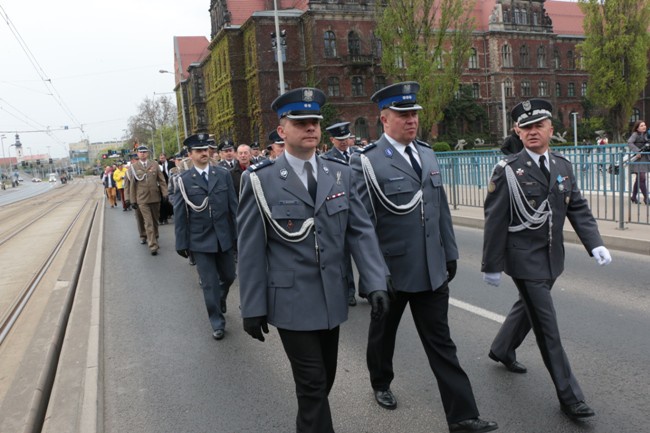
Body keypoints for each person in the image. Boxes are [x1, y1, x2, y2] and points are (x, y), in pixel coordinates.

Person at [237, 87, 390, 433]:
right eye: (301, 122)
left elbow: (361, 231)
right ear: (282, 130)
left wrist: (375, 281)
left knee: (323, 383)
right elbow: (250, 249)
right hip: (291, 302)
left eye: (315, 122)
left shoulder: (340, 173)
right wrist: (252, 306)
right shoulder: (261, 181)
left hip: (331, 298)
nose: (310, 128)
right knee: (312, 386)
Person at [350, 81, 497, 433]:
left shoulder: (427, 154)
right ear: (384, 119)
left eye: (414, 114)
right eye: (402, 115)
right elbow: (362, 225)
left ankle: (462, 416)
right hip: (392, 271)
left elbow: (439, 208)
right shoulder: (367, 164)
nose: (411, 120)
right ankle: (380, 382)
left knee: (442, 344)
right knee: (383, 335)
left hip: (431, 270)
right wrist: (373, 277)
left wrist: (449, 252)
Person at [482, 98, 612, 421]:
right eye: (525, 127)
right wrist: (492, 264)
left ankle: (501, 348)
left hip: (552, 257)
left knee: (527, 309)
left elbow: (577, 207)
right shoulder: (508, 171)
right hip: (524, 261)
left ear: (551, 129)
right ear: (517, 131)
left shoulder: (562, 166)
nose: (532, 132)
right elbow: (494, 219)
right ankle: (570, 397)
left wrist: (594, 243)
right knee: (547, 326)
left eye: (539, 125)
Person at [174, 133, 238, 340]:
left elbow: (233, 207)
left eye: (206, 150)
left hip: (224, 237)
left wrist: (239, 235)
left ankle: (220, 298)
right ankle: (217, 322)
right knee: (209, 282)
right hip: (200, 240)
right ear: (190, 155)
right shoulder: (183, 181)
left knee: (229, 276)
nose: (204, 153)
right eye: (199, 151)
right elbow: (181, 214)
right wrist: (182, 244)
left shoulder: (222, 174)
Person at [325, 121, 357, 306]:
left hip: (359, 210)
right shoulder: (327, 160)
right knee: (344, 257)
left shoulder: (358, 156)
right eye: (340, 139)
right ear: (332, 140)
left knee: (365, 250)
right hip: (341, 211)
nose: (344, 142)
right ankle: (349, 290)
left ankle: (369, 287)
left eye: (346, 138)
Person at [126, 145, 168, 255]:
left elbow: (161, 180)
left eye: (144, 152)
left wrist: (165, 193)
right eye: (141, 152)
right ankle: (153, 245)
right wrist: (132, 200)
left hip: (155, 197)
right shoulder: (134, 167)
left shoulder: (154, 164)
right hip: (142, 199)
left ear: (148, 153)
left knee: (154, 221)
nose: (143, 154)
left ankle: (155, 236)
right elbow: (132, 185)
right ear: (138, 154)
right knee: (148, 222)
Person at [627, 120, 650, 204]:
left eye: (644, 125)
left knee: (639, 179)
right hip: (637, 159)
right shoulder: (635, 134)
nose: (644, 127)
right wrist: (637, 151)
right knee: (642, 178)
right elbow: (629, 142)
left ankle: (633, 197)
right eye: (641, 126)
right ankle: (646, 198)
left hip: (645, 158)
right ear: (637, 128)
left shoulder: (647, 135)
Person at [158, 152, 176, 224]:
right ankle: (163, 217)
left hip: (170, 183)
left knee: (170, 199)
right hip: (162, 185)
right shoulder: (158, 165)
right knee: (163, 201)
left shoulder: (171, 164)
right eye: (160, 158)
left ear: (165, 158)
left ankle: (170, 214)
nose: (161, 159)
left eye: (163, 158)